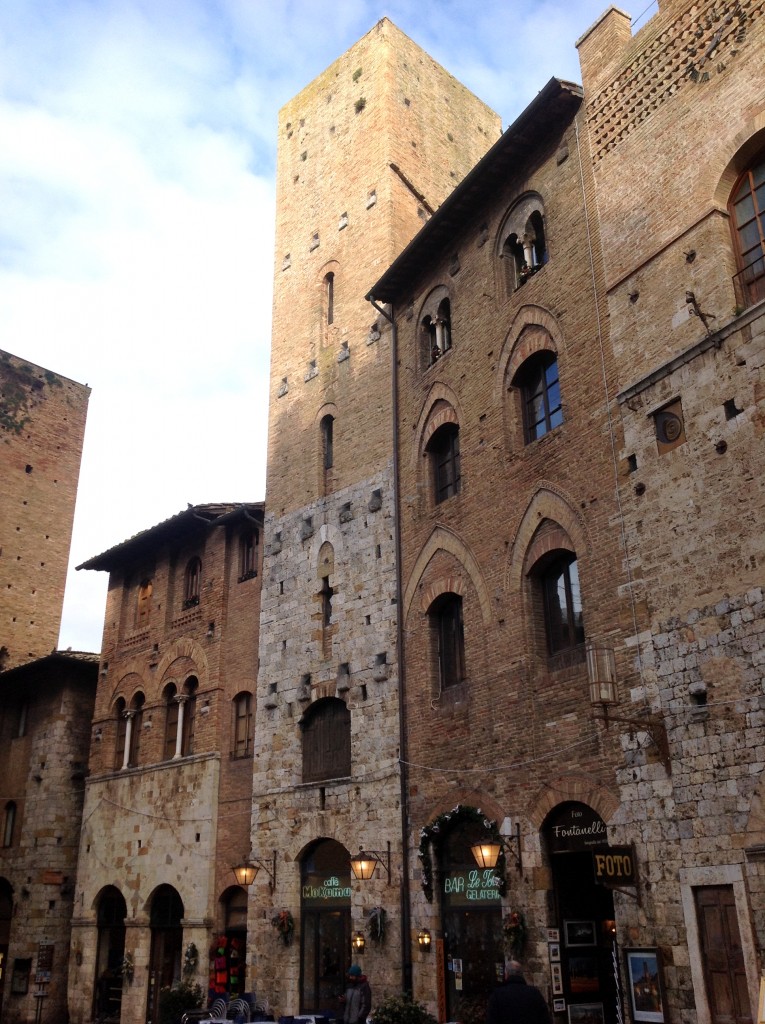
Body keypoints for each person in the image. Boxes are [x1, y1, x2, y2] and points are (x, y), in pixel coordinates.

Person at [486, 960, 552, 1024]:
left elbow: (491, 1021)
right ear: (522, 975)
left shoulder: (497, 996)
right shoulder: (535, 993)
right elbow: (545, 1020)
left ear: (506, 975)